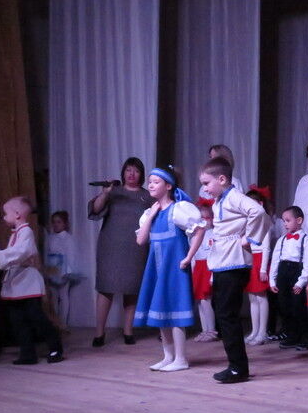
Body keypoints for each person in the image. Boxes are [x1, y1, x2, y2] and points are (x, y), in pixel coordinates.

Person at [199, 157, 270, 383]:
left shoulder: (235, 197)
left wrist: (249, 238)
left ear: (222, 179)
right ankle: (236, 365)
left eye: (207, 183)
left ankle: (238, 367)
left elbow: (258, 212)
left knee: (227, 314)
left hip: (234, 262)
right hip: (223, 262)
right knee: (223, 312)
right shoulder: (220, 201)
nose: (205, 188)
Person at [0, 197, 63, 365]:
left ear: (17, 214)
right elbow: (11, 256)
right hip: (16, 282)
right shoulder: (16, 233)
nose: (4, 217)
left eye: (5, 213)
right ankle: (27, 353)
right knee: (18, 321)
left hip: (27, 282)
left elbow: (20, 252)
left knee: (37, 317)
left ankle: (55, 347)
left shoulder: (26, 232)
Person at [135, 166, 206, 372]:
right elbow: (140, 240)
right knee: (161, 310)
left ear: (168, 186)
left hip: (174, 266)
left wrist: (189, 257)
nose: (150, 185)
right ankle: (168, 357)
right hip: (157, 267)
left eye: (156, 182)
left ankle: (181, 359)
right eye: (150, 182)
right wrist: (151, 215)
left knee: (175, 311)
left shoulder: (179, 209)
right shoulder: (150, 213)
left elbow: (200, 230)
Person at [88, 157, 153, 347]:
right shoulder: (113, 192)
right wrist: (105, 193)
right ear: (123, 172)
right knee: (105, 287)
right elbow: (95, 210)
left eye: (136, 171)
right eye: (128, 170)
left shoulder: (148, 196)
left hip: (136, 246)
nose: (132, 174)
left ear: (141, 174)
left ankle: (128, 331)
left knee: (132, 288)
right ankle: (99, 332)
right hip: (110, 246)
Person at [270, 206, 308, 350]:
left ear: (299, 220)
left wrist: (301, 282)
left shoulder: (306, 239)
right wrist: (272, 280)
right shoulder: (282, 240)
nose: (285, 224)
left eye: (288, 220)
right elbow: (275, 260)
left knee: (298, 307)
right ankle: (291, 335)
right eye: (284, 221)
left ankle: (305, 338)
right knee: (284, 306)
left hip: (296, 273)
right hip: (283, 273)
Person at [244, 186, 274, 346]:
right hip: (251, 261)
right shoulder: (248, 223)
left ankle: (262, 332)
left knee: (261, 297)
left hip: (260, 261)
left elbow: (266, 248)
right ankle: (254, 331)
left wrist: (263, 269)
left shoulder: (264, 222)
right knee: (252, 298)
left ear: (260, 204)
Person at [44, 210, 79, 331]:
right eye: (54, 222)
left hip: (63, 269)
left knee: (63, 296)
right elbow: (48, 254)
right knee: (53, 297)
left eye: (59, 222)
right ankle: (55, 322)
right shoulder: (51, 237)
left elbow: (71, 256)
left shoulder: (68, 238)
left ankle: (63, 324)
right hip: (52, 269)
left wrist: (68, 272)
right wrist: (47, 270)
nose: (56, 225)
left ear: (65, 223)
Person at [192, 199, 217, 342]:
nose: (204, 221)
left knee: (207, 300)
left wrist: (212, 275)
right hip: (198, 269)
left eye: (207, 218)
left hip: (208, 268)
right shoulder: (194, 235)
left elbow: (214, 255)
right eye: (201, 219)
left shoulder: (214, 234)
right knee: (200, 301)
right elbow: (193, 256)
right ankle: (204, 329)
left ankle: (211, 330)